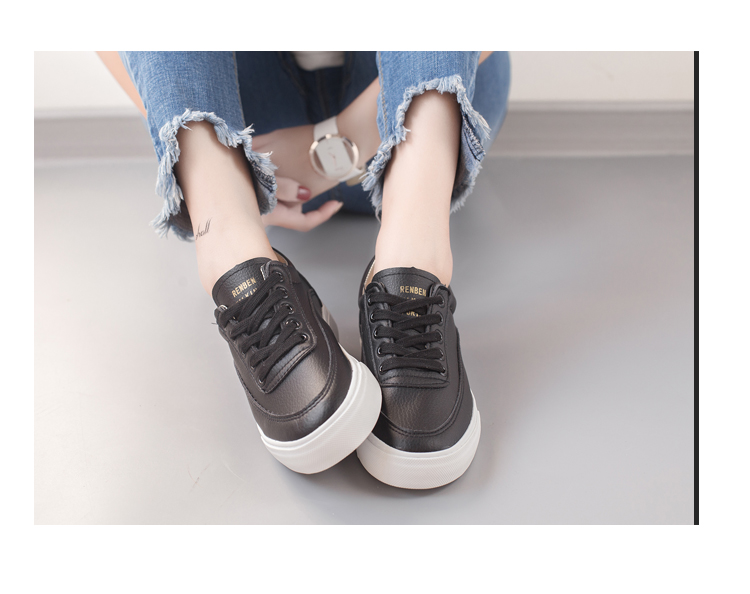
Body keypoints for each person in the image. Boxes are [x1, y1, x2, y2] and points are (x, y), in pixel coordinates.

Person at [100, 51, 511, 489]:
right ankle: (227, 243)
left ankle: (414, 252)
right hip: (249, 127)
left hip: (429, 107)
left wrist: (342, 140)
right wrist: (215, 167)